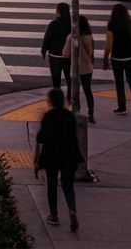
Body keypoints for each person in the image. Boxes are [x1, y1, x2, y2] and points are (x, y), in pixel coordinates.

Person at [34, 88, 81, 230]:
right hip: (68, 154)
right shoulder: (69, 116)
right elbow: (74, 134)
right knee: (68, 185)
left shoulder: (48, 116)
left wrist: (36, 158)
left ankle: (54, 215)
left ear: (50, 101)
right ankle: (72, 210)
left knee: (52, 184)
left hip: (51, 155)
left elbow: (41, 138)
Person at [104, 2, 131, 115]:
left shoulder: (111, 24)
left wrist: (105, 58)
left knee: (119, 82)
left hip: (117, 58)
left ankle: (122, 107)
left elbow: (108, 43)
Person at [64, 15, 97, 123]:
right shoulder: (89, 37)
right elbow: (91, 53)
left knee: (74, 92)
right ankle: (90, 113)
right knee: (88, 91)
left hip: (75, 68)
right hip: (87, 67)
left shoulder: (71, 37)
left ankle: (75, 112)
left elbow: (66, 54)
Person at [41, 2, 73, 99]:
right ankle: (69, 97)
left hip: (54, 56)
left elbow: (47, 38)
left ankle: (57, 98)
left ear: (58, 13)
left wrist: (43, 51)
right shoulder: (72, 25)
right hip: (68, 56)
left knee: (56, 79)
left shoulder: (54, 24)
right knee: (69, 78)